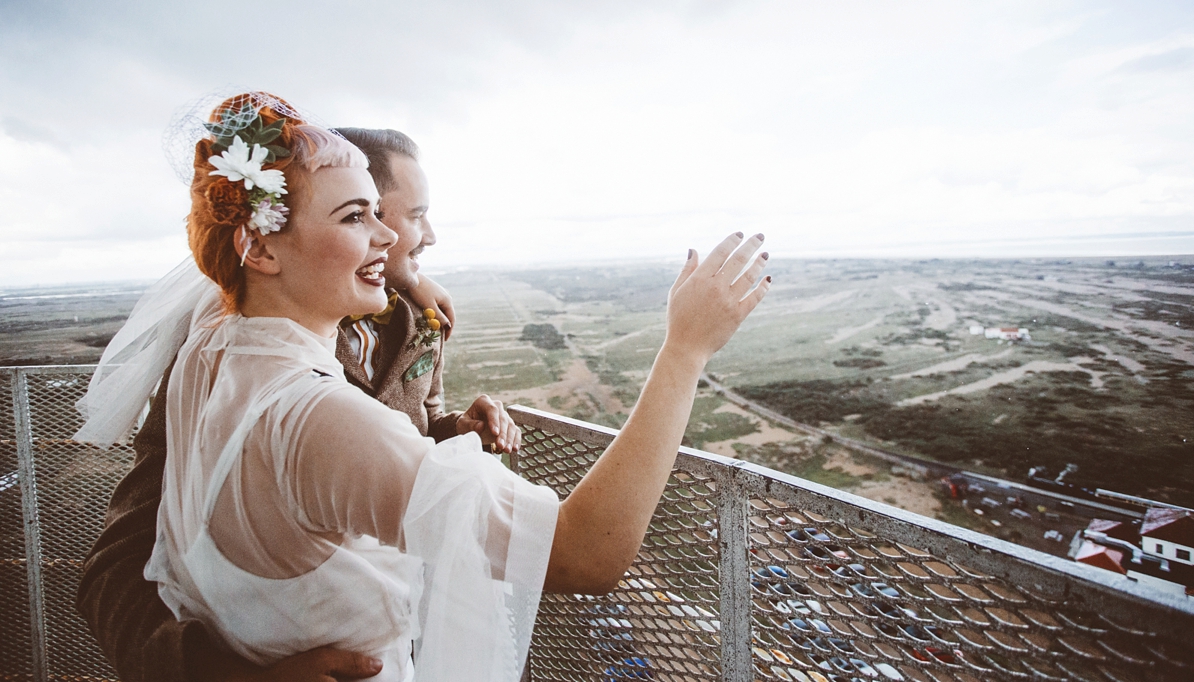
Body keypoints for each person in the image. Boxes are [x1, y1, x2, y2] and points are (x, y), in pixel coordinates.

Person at [76, 92, 770, 682]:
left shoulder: (214, 337)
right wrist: (684, 350)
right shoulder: (315, 412)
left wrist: (432, 397)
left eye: (384, 213)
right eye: (356, 216)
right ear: (257, 248)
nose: (397, 237)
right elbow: (585, 552)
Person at [76, 125, 515, 682]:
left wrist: (458, 430)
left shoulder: (421, 325)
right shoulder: (229, 352)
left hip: (420, 631)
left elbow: (415, 429)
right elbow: (116, 566)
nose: (428, 235)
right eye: (411, 215)